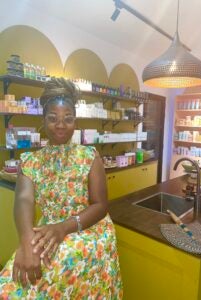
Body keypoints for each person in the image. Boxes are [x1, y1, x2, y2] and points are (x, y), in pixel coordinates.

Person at [0, 77, 123, 299]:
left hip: (88, 229)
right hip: (48, 230)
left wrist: (63, 228)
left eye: (68, 119)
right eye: (53, 118)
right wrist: (27, 242)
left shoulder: (89, 156)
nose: (60, 125)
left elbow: (100, 205)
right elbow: (23, 200)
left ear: (75, 121)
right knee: (12, 280)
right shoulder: (30, 160)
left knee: (52, 267)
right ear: (43, 120)